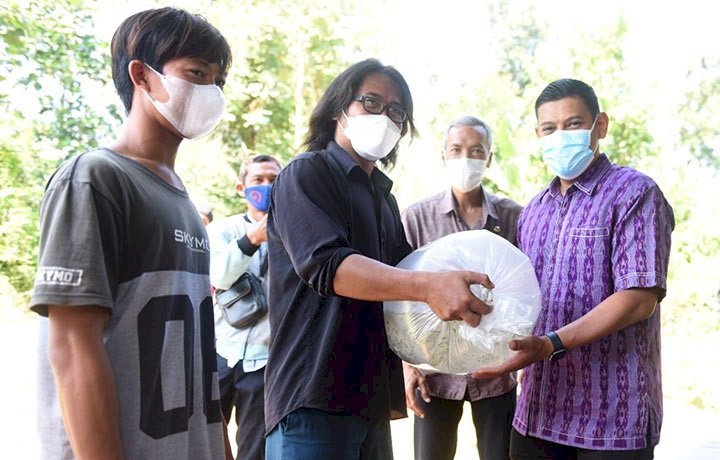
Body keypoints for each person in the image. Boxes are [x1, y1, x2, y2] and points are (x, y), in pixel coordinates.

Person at [263, 58, 496, 459]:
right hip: (313, 398)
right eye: (371, 102)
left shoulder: (383, 200)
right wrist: (429, 287)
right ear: (340, 108)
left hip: (368, 399)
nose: (384, 116)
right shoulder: (307, 174)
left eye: (395, 111)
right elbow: (329, 266)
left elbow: (410, 275)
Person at [29, 7, 232, 459]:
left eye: (218, 81)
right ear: (141, 75)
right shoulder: (95, 179)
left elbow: (199, 364)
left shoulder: (184, 202)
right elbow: (71, 346)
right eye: (197, 73)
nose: (211, 92)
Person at [472, 78, 674, 460]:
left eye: (573, 124)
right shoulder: (533, 211)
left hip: (613, 418)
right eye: (549, 128)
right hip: (538, 412)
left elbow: (639, 298)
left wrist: (552, 344)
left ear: (600, 126)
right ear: (537, 134)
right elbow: (516, 296)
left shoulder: (633, 193)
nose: (560, 136)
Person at [401, 115, 522, 460]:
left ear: (489, 159)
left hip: (497, 370)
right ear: (443, 156)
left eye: (476, 150)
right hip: (433, 373)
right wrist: (407, 366)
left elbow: (527, 291)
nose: (466, 158)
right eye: (456, 149)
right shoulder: (416, 218)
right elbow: (396, 299)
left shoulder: (514, 218)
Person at [208, 154, 282, 459]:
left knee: (254, 449)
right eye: (258, 180)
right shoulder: (222, 231)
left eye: (274, 180)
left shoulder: (293, 232)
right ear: (241, 187)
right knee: (208, 440)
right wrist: (251, 239)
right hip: (222, 354)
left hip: (265, 362)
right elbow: (218, 276)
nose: (266, 186)